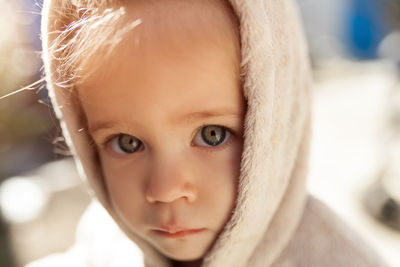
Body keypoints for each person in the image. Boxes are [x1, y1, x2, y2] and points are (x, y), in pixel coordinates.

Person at [28, 0, 388, 266]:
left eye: (211, 134)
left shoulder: (335, 257)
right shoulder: (107, 239)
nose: (165, 190)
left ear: (273, 119)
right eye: (128, 143)